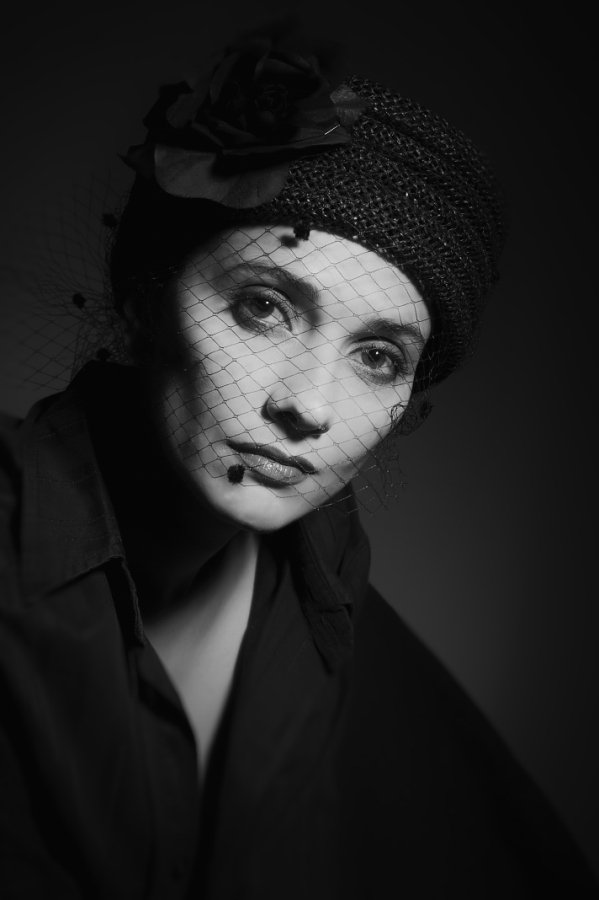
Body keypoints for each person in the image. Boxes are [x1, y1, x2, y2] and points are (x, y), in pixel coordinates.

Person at [0, 25, 597, 899]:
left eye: (377, 358)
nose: (307, 405)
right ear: (144, 300)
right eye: (263, 308)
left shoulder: (327, 584)